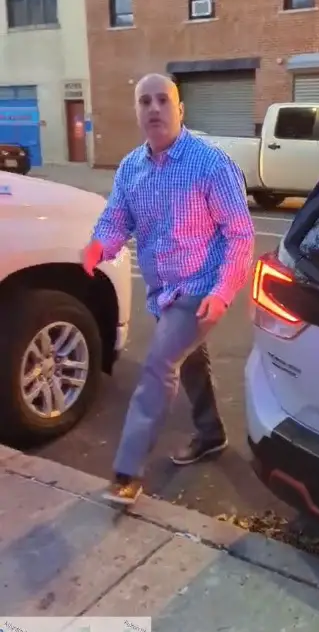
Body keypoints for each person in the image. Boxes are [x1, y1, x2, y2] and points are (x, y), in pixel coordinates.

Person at [81, 73, 255, 505]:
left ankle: (126, 470)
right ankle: (211, 433)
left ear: (180, 110)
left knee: (159, 365)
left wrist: (222, 292)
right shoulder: (130, 167)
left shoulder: (211, 165)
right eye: (145, 101)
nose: (154, 108)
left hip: (201, 287)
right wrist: (99, 245)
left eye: (163, 100)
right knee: (188, 360)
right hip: (163, 291)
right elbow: (116, 218)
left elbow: (241, 234)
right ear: (137, 112)